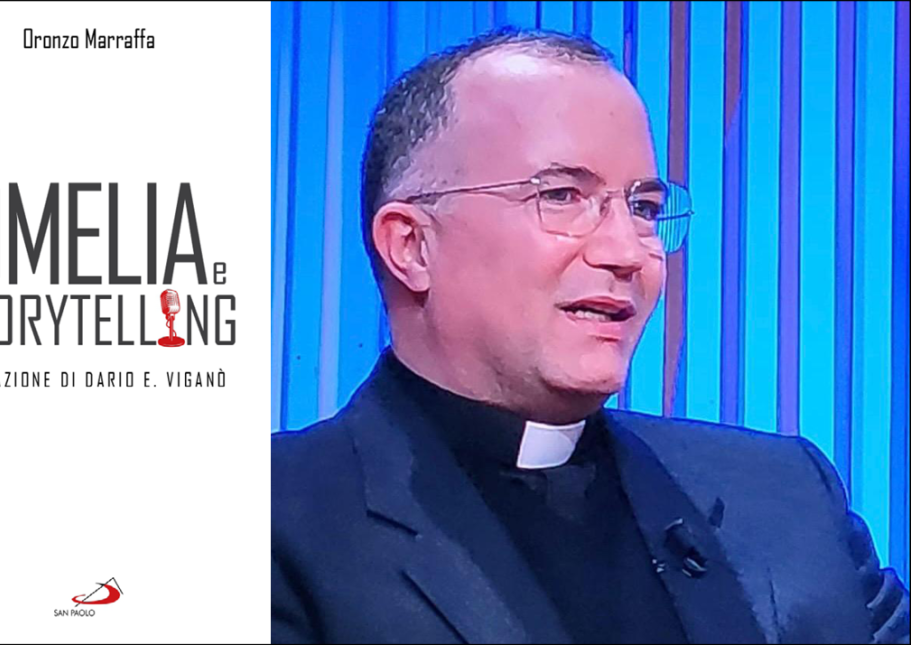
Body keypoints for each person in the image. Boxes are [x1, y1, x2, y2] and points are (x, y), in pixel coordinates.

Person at [271, 28, 909, 644]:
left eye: (645, 208)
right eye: (561, 196)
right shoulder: (269, 520)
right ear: (411, 246)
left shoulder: (786, 497)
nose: (628, 252)